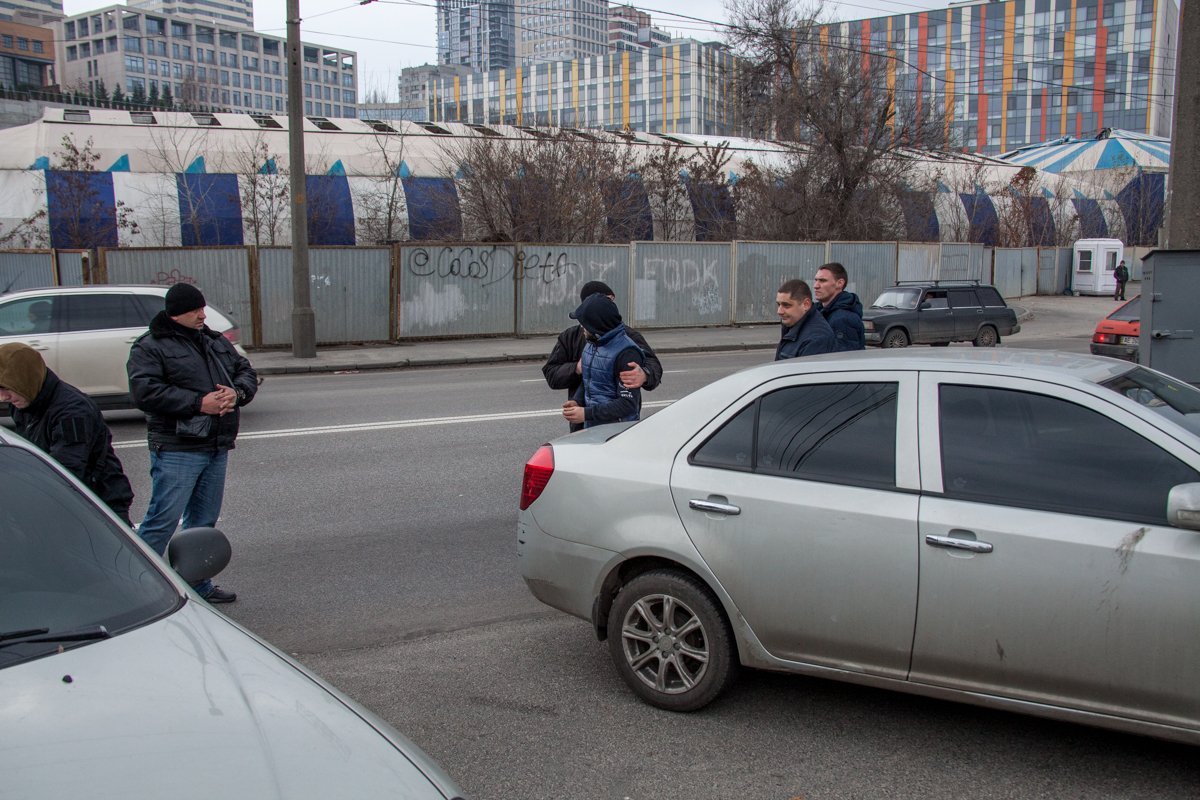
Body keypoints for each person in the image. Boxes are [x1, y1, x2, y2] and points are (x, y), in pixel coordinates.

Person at [126, 283, 258, 604]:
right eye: (194, 310)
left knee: (202, 523)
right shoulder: (150, 346)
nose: (202, 314)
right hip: (177, 448)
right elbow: (145, 392)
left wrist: (235, 394)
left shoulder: (212, 341)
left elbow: (245, 373)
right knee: (162, 521)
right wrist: (200, 403)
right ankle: (135, 589)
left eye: (202, 308)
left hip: (216, 445)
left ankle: (196, 584)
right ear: (175, 313)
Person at [0, 342, 135, 525]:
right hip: (66, 499)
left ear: (26, 380)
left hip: (98, 504)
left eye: (7, 389)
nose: (3, 397)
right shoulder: (26, 401)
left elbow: (65, 470)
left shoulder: (72, 412)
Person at [543, 280, 662, 432]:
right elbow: (552, 374)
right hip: (582, 423)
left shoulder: (626, 341)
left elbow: (653, 367)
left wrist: (645, 374)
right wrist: (576, 370)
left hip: (614, 426)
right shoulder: (571, 337)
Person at [561, 293, 646, 429]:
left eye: (584, 323)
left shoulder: (627, 353)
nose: (581, 327)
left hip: (617, 432)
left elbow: (627, 404)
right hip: (594, 428)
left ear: (596, 326)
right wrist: (577, 401)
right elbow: (589, 381)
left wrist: (586, 413)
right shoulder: (592, 344)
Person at [775, 279, 837, 360]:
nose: (779, 311)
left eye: (786, 305)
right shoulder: (792, 326)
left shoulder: (816, 339)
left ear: (806, 304)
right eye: (778, 304)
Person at [812, 262, 865, 351]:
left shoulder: (843, 319)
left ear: (839, 283)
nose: (816, 286)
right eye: (816, 280)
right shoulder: (820, 312)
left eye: (822, 280)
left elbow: (843, 360)